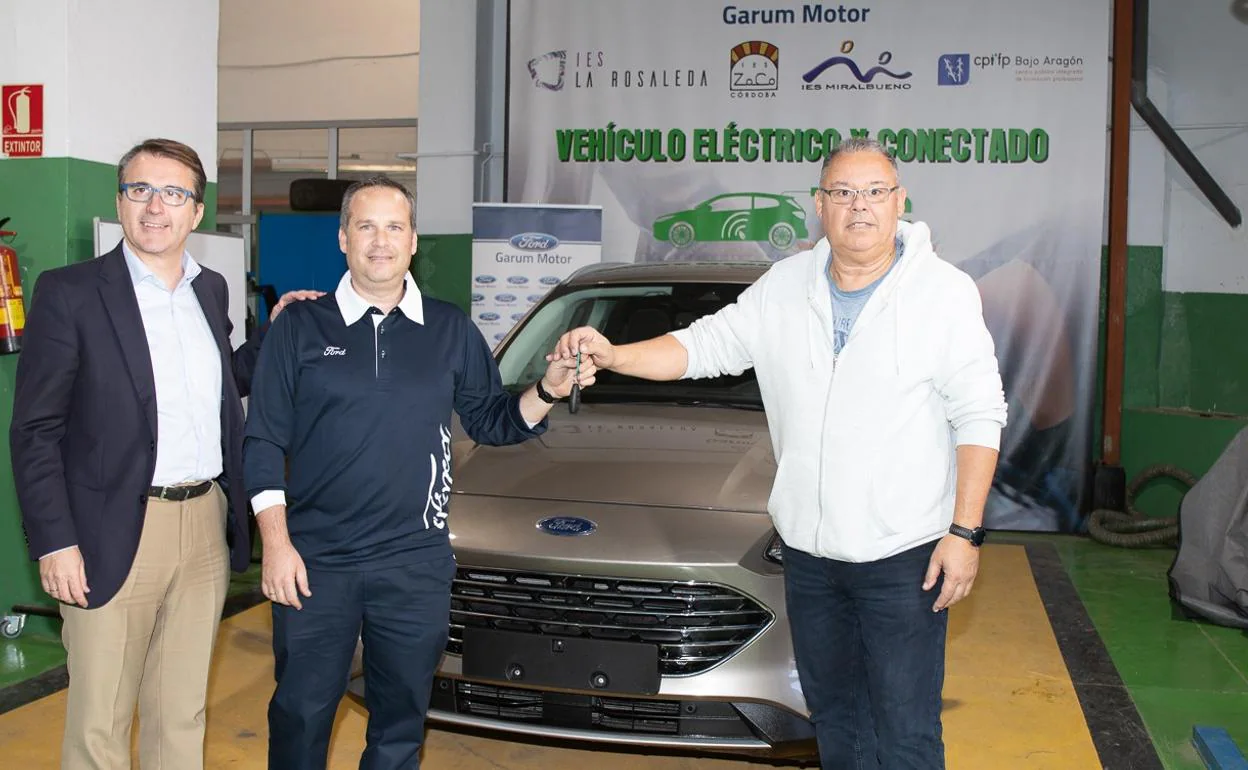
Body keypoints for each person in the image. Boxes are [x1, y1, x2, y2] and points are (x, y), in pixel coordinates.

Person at [549, 138, 1007, 769]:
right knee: (836, 719)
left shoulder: (943, 293)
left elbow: (980, 413)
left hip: (903, 558)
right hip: (812, 560)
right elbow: (704, 346)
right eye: (843, 193)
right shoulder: (786, 285)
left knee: (904, 728)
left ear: (899, 201)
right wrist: (617, 354)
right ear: (820, 206)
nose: (860, 207)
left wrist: (964, 532)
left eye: (875, 192)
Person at [242, 174, 594, 770]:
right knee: (300, 715)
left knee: (400, 722)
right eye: (366, 226)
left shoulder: (450, 329)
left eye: (394, 227)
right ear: (343, 238)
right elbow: (263, 439)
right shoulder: (299, 328)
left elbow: (494, 420)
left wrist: (548, 389)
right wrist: (275, 546)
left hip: (414, 564)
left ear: (413, 242)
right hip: (314, 563)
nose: (380, 241)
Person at [8, 137, 318, 769]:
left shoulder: (209, 292)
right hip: (108, 528)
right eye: (139, 190)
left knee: (181, 714)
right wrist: (54, 540)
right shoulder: (70, 293)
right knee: (101, 720)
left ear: (196, 212)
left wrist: (274, 333)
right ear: (119, 203)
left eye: (173, 193)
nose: (155, 206)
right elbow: (34, 429)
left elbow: (214, 383)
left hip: (203, 523)